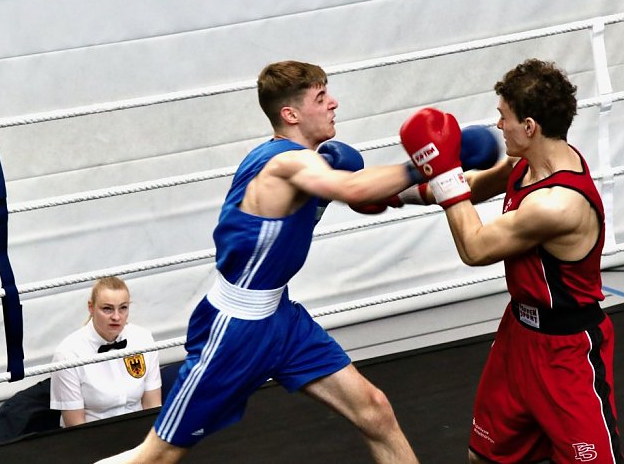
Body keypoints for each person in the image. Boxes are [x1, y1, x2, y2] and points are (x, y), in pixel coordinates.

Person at [96, 60, 420, 463]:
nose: (334, 103)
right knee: (157, 456)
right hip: (236, 329)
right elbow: (354, 187)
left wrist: (462, 176)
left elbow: (393, 194)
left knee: (374, 411)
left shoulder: (313, 164)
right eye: (321, 97)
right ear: (291, 114)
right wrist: (422, 160)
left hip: (281, 319)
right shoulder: (285, 163)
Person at [399, 58, 624, 463]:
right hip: (518, 337)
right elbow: (467, 187)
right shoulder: (526, 165)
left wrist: (445, 169)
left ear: (530, 126)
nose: (498, 125)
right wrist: (391, 196)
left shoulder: (558, 205)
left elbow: (476, 248)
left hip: (566, 352)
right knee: (485, 458)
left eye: (504, 117)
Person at [51, 276, 162, 427]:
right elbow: (75, 428)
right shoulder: (67, 354)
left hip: (139, 435)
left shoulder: (143, 339)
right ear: (91, 307)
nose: (116, 317)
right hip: (93, 440)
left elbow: (152, 407)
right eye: (107, 309)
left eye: (123, 308)